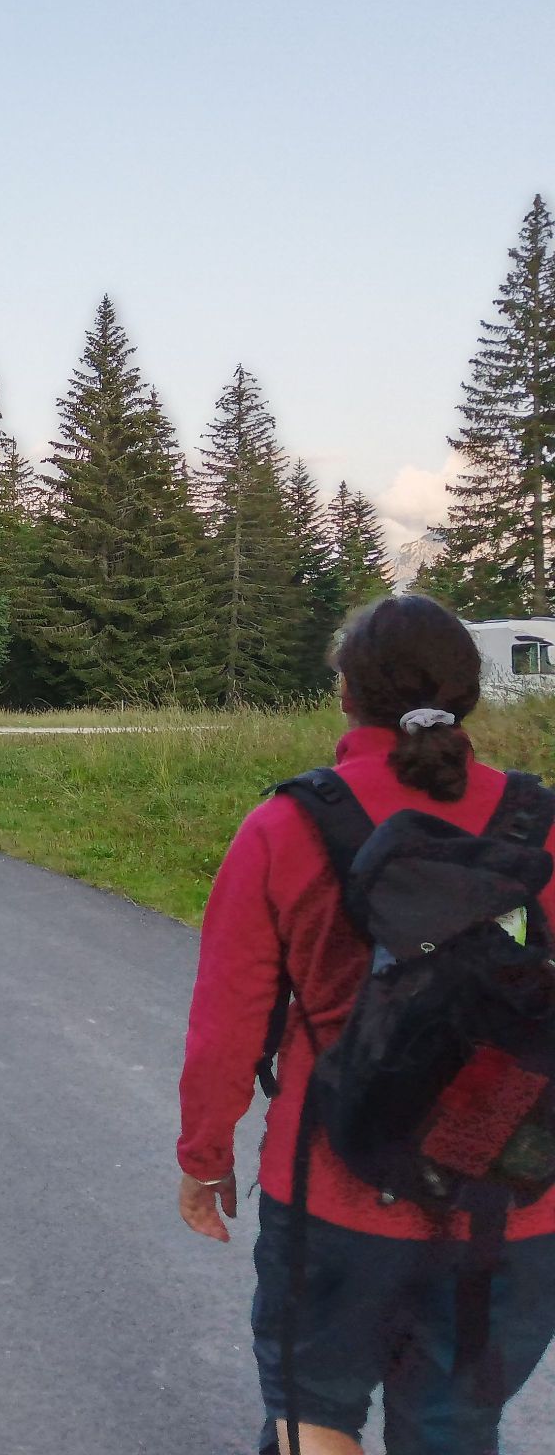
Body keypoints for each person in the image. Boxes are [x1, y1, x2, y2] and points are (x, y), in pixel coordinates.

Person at [178, 594, 555, 1454]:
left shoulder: (285, 826)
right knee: (456, 1428)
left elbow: (226, 1022)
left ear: (346, 693)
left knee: (313, 1411)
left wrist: (205, 1157)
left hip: (334, 1189)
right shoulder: (542, 825)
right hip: (512, 1204)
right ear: (469, 694)